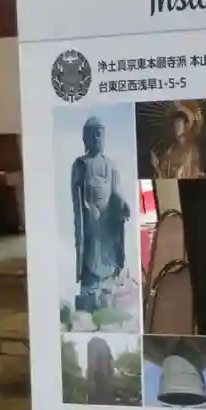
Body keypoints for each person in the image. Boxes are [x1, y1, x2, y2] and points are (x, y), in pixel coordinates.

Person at [71, 116, 130, 313]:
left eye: (99, 134)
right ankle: (90, 289)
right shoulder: (81, 164)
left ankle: (107, 288)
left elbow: (115, 192)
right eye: (92, 135)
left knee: (110, 251)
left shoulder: (110, 165)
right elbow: (76, 195)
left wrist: (122, 204)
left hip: (107, 221)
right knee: (91, 252)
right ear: (85, 138)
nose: (96, 138)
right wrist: (86, 210)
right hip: (90, 220)